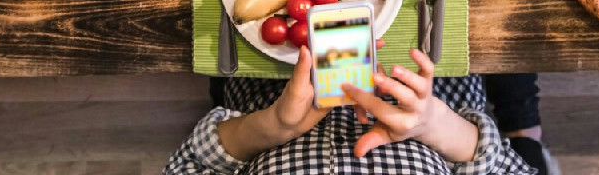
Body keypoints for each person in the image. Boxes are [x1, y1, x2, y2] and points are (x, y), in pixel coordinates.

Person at [165, 44, 552, 174]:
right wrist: (432, 121)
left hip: (264, 86)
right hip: (434, 90)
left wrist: (272, 127)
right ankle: (524, 125)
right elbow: (511, 169)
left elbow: (188, 165)